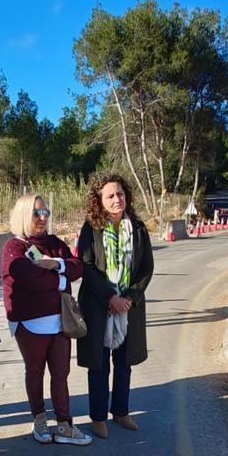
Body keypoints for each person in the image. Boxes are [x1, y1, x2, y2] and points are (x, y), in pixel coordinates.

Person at [1, 193, 91, 446]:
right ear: (22, 215)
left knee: (61, 373)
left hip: (60, 321)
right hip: (30, 323)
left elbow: (77, 266)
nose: (42, 218)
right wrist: (61, 280)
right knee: (36, 372)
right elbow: (28, 278)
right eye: (36, 213)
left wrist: (56, 264)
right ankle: (39, 418)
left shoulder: (53, 242)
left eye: (45, 213)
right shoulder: (14, 247)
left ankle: (64, 424)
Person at [76, 172, 154, 439]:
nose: (116, 199)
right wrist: (111, 298)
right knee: (99, 364)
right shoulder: (91, 227)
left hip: (128, 307)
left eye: (120, 193)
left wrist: (130, 298)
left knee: (124, 363)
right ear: (99, 200)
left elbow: (146, 268)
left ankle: (121, 411)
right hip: (99, 304)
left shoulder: (139, 228)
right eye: (109, 195)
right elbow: (85, 266)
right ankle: (98, 417)